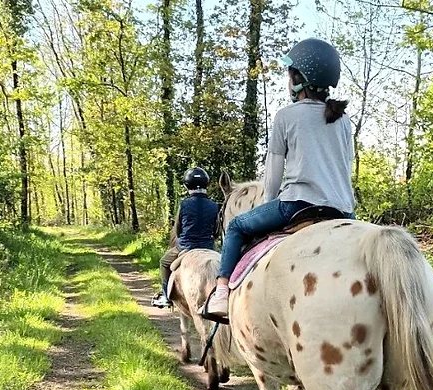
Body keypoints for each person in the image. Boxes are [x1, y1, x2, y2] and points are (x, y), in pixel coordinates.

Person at [202, 38, 355, 317]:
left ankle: (221, 292)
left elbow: (273, 176)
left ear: (299, 78)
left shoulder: (286, 116)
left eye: (289, 73)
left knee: (236, 226)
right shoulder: (343, 121)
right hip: (343, 210)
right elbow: (346, 168)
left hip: (297, 204)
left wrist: (268, 204)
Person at [152, 167, 220, 308]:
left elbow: (177, 229)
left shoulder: (184, 204)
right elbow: (217, 230)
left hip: (186, 246)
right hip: (208, 246)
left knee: (164, 263)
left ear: (187, 185)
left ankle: (166, 297)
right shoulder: (214, 206)